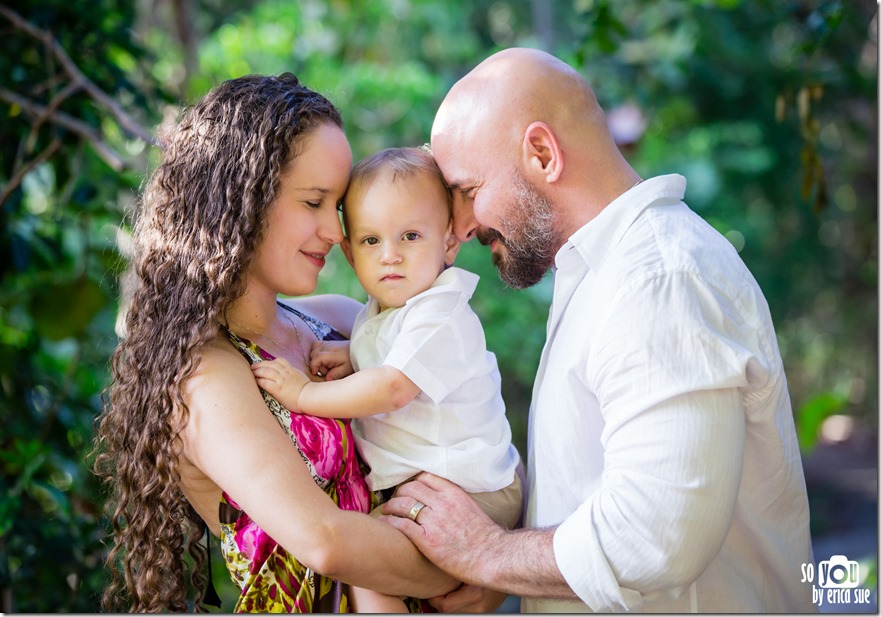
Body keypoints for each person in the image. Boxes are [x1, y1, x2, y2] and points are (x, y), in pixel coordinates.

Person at [381, 47, 816, 613]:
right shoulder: (603, 274)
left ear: (542, 153)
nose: (460, 227)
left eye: (467, 191)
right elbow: (587, 495)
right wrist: (510, 567)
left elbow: (652, 539)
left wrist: (487, 552)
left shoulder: (659, 279)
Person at [91, 73, 457, 613]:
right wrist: (473, 565)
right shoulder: (205, 376)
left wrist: (491, 567)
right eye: (313, 202)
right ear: (239, 202)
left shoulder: (337, 319)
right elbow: (325, 541)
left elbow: (468, 412)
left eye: (338, 207)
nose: (336, 233)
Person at [251, 147, 523, 612]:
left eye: (410, 236)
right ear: (351, 254)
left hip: (473, 490)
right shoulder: (385, 313)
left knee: (367, 564)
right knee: (371, 566)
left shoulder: (439, 311)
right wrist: (354, 355)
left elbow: (395, 387)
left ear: (449, 244)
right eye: (371, 241)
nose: (390, 255)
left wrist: (304, 393)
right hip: (437, 483)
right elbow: (389, 359)